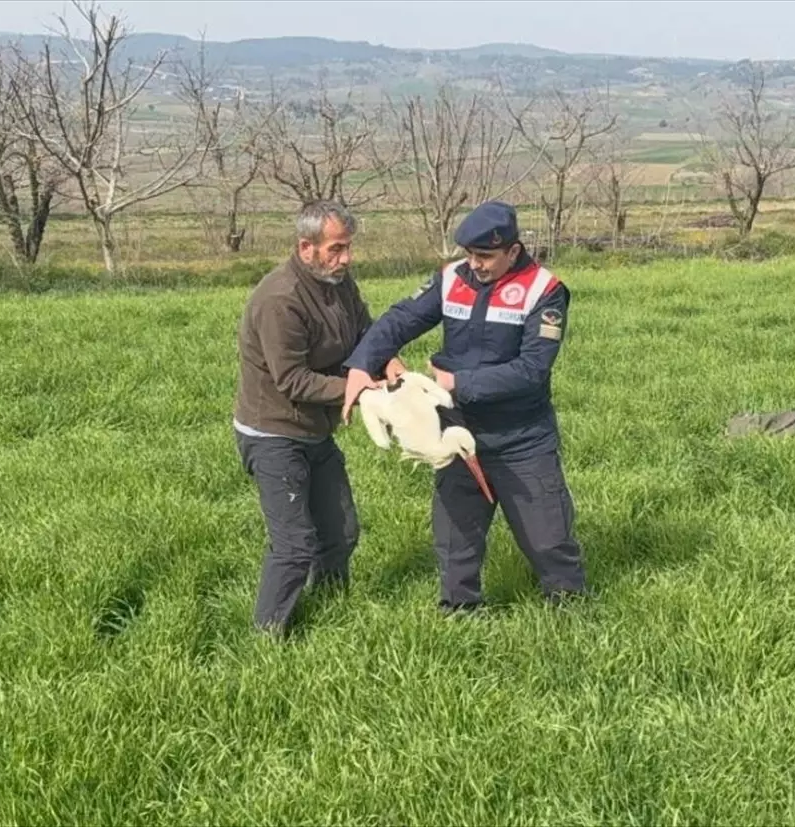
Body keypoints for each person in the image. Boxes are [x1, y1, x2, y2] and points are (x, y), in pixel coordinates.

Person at [340, 200, 587, 613]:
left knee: (548, 539)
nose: (476, 264)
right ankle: (459, 616)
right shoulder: (453, 277)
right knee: (455, 539)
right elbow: (400, 320)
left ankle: (570, 611)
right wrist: (361, 367)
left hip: (521, 438)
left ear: (513, 250)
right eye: (470, 254)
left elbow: (532, 370)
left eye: (486, 256)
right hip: (457, 431)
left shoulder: (544, 291)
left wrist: (457, 383)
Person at [233, 200, 402, 636]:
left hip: (315, 430)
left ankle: (329, 610)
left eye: (348, 248)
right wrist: (362, 391)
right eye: (336, 249)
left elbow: (366, 334)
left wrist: (388, 362)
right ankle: (267, 639)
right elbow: (292, 380)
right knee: (294, 546)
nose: (346, 258)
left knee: (341, 531)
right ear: (306, 247)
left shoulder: (339, 283)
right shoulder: (280, 299)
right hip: (273, 431)